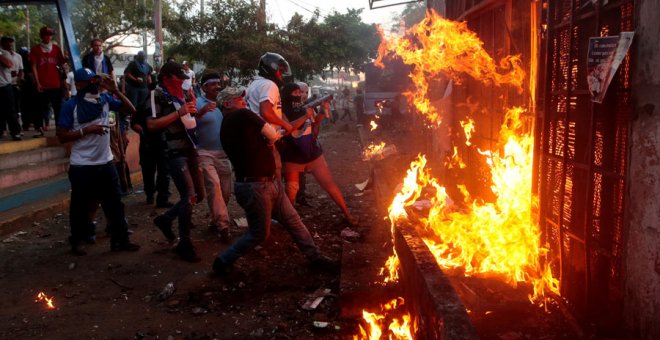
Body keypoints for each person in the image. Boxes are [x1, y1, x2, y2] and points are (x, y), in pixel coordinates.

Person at [211, 86, 338, 276]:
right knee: (259, 233)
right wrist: (287, 128)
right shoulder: (243, 115)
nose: (244, 101)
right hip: (257, 186)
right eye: (239, 99)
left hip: (263, 183)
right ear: (227, 104)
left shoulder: (228, 124)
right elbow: (273, 135)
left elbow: (266, 138)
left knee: (293, 220)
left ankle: (315, 257)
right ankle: (222, 262)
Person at [56, 68, 139, 255]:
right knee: (79, 206)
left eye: (95, 79)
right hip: (82, 165)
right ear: (78, 84)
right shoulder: (72, 106)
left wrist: (115, 90)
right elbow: (61, 135)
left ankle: (120, 240)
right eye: (89, 81)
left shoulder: (104, 100)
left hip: (106, 162)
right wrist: (87, 130)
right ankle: (77, 240)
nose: (94, 83)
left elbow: (130, 109)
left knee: (115, 203)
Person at [147, 61, 205, 263]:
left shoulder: (183, 95)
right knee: (188, 196)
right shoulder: (158, 94)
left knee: (199, 194)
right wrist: (179, 113)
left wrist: (196, 111)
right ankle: (184, 243)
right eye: (178, 78)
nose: (182, 82)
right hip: (172, 150)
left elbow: (188, 121)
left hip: (190, 148)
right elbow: (152, 124)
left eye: (183, 78)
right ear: (166, 78)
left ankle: (165, 219)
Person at [280, 82, 358, 226]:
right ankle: (288, 222)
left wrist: (321, 113)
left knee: (330, 185)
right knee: (291, 191)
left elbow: (315, 131)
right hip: (292, 156)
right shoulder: (281, 111)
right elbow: (287, 130)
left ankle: (347, 214)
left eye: (301, 93)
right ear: (286, 95)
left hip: (312, 153)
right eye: (295, 93)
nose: (299, 95)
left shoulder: (306, 108)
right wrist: (305, 117)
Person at [244, 52, 308, 180]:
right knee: (273, 180)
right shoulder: (269, 84)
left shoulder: (254, 84)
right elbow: (266, 112)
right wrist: (285, 125)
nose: (281, 75)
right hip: (266, 140)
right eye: (280, 71)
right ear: (271, 69)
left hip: (256, 138)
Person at [195, 72, 232, 241]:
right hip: (204, 153)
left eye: (218, 83)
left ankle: (215, 220)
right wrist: (200, 113)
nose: (217, 86)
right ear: (204, 87)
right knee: (214, 186)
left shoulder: (223, 103)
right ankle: (223, 226)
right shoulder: (197, 103)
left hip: (223, 153)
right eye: (212, 84)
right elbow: (189, 123)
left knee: (225, 191)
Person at [30, 26, 65, 136]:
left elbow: (61, 63)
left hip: (55, 83)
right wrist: (37, 82)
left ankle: (59, 129)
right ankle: (39, 128)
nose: (48, 37)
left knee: (58, 108)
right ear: (42, 36)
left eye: (50, 35)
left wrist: (66, 60)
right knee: (40, 108)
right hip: (43, 84)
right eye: (46, 35)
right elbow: (33, 66)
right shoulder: (35, 49)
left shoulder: (56, 49)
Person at [0, 36, 22, 141]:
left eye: (11, 42)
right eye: (8, 42)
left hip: (5, 85)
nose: (10, 44)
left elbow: (8, 64)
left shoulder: (4, 53)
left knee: (10, 110)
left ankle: (15, 132)